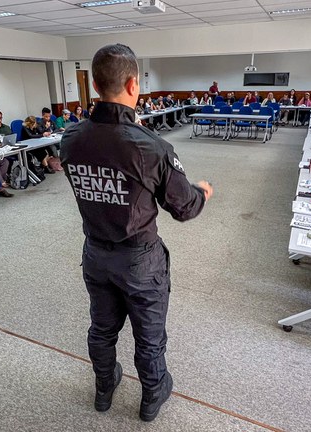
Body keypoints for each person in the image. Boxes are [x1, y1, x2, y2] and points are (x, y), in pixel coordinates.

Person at [60, 44, 213, 422]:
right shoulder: (152, 147)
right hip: (140, 258)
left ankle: (103, 387)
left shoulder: (70, 137)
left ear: (95, 85)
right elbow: (185, 207)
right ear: (133, 84)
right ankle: (151, 395)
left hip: (95, 252)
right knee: (148, 337)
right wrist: (203, 191)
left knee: (102, 327)